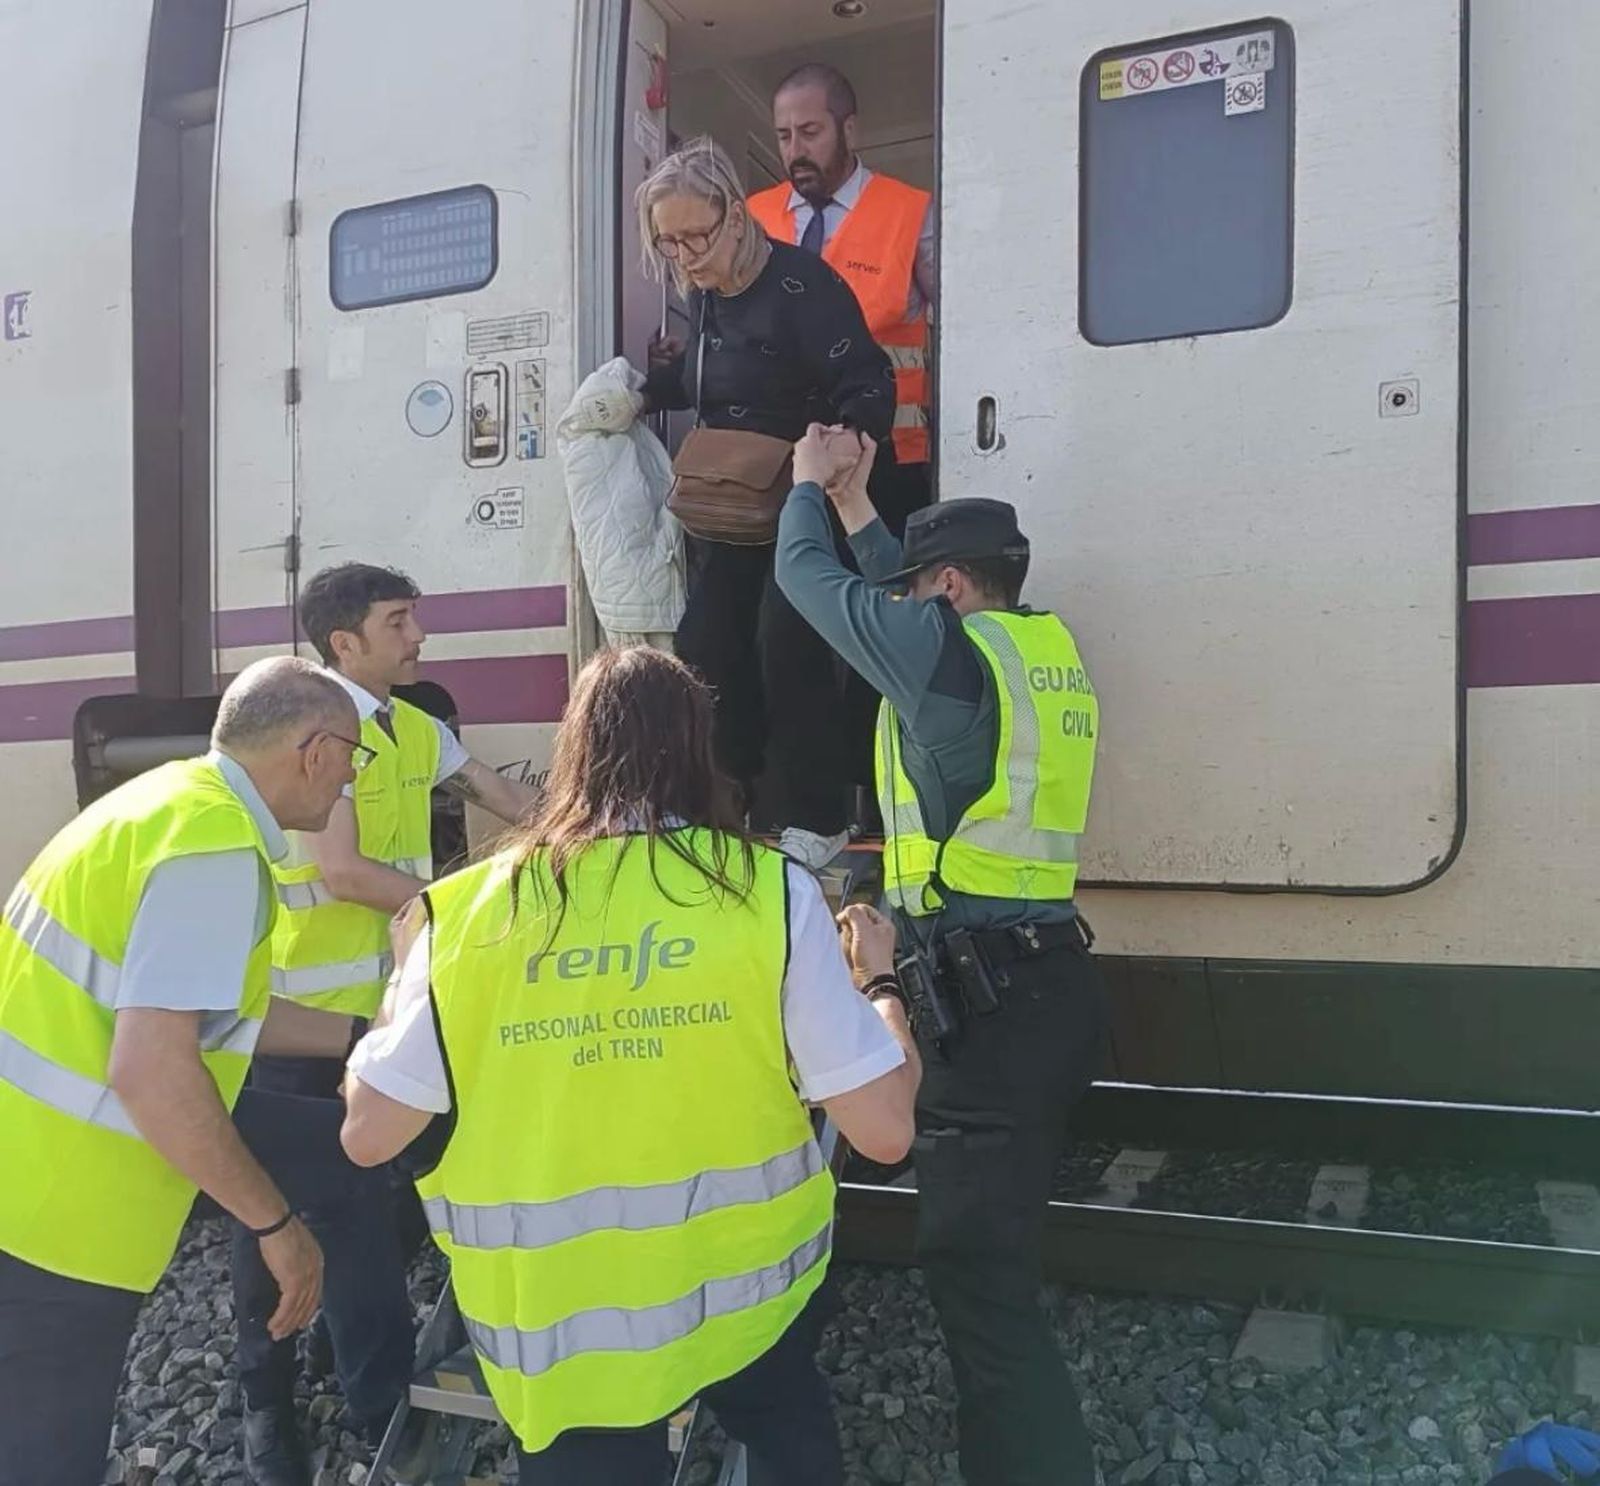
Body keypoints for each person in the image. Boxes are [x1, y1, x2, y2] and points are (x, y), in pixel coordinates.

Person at [339, 645, 921, 1485]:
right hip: (747, 1301)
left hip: (560, 1331)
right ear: (697, 748)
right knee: (789, 1434)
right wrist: (881, 981)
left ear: (571, 747)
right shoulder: (766, 894)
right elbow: (886, 1128)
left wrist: (405, 972)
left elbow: (368, 1135)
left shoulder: (460, 915)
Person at [775, 428, 1108, 1486]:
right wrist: (865, 506)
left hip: (989, 1008)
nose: (905, 603)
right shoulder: (1032, 649)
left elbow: (804, 578)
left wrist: (804, 494)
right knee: (990, 1264)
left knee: (976, 1276)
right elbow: (895, 611)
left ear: (950, 584)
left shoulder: (942, 650)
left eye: (918, 586)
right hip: (1047, 982)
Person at [0, 657, 363, 1486]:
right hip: (60, 1221)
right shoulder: (216, 849)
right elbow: (156, 1073)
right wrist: (277, 1228)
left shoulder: (165, 807)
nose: (350, 780)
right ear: (314, 750)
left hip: (23, 1184)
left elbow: (204, 1007)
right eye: (351, 757)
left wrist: (362, 1035)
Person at [233, 563, 543, 1484]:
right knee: (286, 1223)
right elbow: (346, 873)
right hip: (296, 1033)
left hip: (379, 1024)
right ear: (345, 644)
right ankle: (275, 1405)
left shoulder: (411, 727)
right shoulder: (316, 735)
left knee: (375, 1204)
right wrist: (471, 913)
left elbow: (502, 795)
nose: (419, 636)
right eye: (399, 620)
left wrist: (588, 841)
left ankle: (337, 1371)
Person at [638, 136, 897, 870]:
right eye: (668, 241)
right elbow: (708, 385)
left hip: (806, 497)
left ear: (734, 218)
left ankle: (818, 814)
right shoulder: (705, 297)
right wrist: (639, 390)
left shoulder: (800, 286)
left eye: (696, 235)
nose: (685, 255)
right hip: (733, 509)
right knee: (705, 645)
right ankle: (735, 801)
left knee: (789, 643)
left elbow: (870, 382)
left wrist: (842, 444)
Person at [750, 62, 935, 534]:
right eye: (784, 135)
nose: (796, 150)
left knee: (881, 599)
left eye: (810, 132)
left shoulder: (910, 211)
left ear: (848, 128)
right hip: (779, 457)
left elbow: (964, 329)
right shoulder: (751, 218)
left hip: (886, 454)